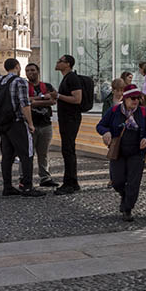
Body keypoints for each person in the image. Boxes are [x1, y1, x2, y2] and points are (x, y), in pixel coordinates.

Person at [96, 84, 146, 221]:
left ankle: (128, 209)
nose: (135, 101)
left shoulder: (144, 112)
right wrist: (106, 132)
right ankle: (124, 195)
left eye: (137, 98)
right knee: (117, 181)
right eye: (132, 98)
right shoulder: (115, 110)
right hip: (119, 151)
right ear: (125, 99)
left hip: (137, 152)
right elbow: (100, 125)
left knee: (134, 182)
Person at [0, 58, 44, 197]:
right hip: (17, 123)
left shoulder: (2, 81)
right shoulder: (19, 81)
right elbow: (24, 104)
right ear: (17, 66)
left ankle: (7, 186)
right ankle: (27, 187)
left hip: (4, 125)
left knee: (7, 156)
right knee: (26, 155)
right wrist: (30, 123)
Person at [53, 54, 84, 196]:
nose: (57, 62)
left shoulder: (72, 78)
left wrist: (58, 96)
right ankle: (72, 181)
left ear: (68, 64)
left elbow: (77, 99)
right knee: (68, 149)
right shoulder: (67, 78)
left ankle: (70, 182)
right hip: (66, 118)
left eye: (61, 61)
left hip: (71, 119)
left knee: (68, 149)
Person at [25, 61, 58, 188]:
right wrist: (43, 99)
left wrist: (34, 101)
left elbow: (53, 100)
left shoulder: (47, 85)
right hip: (30, 125)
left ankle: (45, 177)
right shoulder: (25, 86)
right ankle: (25, 178)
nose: (30, 73)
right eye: (27, 71)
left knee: (43, 153)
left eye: (32, 70)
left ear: (38, 71)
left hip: (45, 124)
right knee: (28, 153)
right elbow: (26, 102)